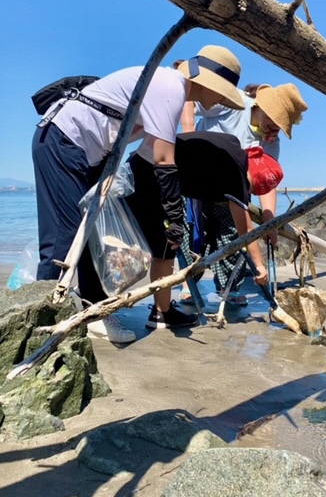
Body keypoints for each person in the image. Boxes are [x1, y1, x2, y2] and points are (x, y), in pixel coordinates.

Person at [32, 45, 245, 343]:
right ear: (209, 81)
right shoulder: (171, 87)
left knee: (92, 234)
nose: (222, 99)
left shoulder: (168, 89)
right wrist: (174, 216)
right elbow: (162, 161)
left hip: (86, 152)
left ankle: (94, 311)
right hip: (63, 141)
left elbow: (146, 155)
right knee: (64, 237)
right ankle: (38, 320)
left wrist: (157, 213)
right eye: (223, 92)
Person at [126, 130, 283, 321]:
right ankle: (161, 314)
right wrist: (259, 267)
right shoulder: (236, 173)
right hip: (151, 176)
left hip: (143, 164)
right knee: (163, 250)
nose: (246, 192)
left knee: (162, 250)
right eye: (251, 189)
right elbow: (246, 230)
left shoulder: (232, 149)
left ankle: (161, 312)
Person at [180, 81, 308, 302]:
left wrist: (270, 222)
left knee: (230, 235)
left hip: (234, 187)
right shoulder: (234, 102)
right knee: (194, 235)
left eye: (281, 125)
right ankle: (187, 283)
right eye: (273, 120)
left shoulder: (271, 143)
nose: (274, 129)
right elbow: (189, 99)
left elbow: (267, 181)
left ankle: (229, 289)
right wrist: (189, 134)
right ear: (262, 106)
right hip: (197, 174)